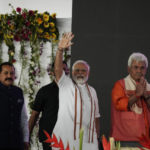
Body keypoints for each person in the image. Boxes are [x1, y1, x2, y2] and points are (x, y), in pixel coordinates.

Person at [52, 32, 100, 150]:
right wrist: (60, 50)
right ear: (71, 72)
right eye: (77, 70)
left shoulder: (92, 91)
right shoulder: (65, 84)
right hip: (65, 139)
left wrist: (97, 136)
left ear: (88, 73)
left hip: (87, 140)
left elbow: (96, 117)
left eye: (83, 71)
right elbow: (58, 70)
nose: (80, 73)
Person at [110, 52, 150, 147]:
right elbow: (118, 104)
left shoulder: (148, 87)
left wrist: (146, 96)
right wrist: (137, 95)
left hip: (146, 140)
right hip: (124, 140)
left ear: (146, 70)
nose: (139, 71)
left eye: (142, 68)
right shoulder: (120, 85)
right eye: (135, 67)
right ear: (129, 69)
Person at [28, 61, 69, 150]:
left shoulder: (74, 91)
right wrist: (26, 137)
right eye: (60, 70)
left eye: (65, 70)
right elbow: (34, 115)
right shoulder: (44, 91)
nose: (63, 72)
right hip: (49, 138)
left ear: (68, 71)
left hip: (69, 138)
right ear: (53, 72)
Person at [0, 62, 29, 150]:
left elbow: (23, 118)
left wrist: (25, 139)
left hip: (16, 141)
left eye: (11, 73)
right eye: (6, 73)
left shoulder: (18, 92)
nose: (9, 76)